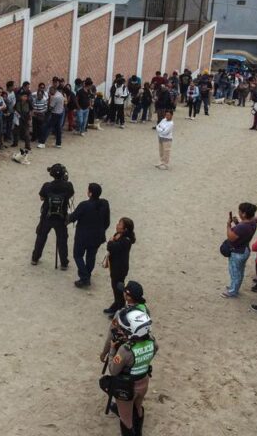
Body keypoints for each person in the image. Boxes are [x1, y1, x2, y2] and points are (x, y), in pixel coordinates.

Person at [102, 307, 156, 436]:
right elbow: (154, 350)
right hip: (143, 382)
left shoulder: (125, 350)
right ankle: (139, 432)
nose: (120, 330)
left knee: (126, 420)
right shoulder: (152, 341)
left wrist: (112, 350)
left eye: (123, 329)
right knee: (138, 408)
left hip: (126, 387)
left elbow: (113, 370)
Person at [31, 163, 75, 268]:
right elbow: (71, 195)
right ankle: (64, 263)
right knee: (62, 240)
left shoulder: (47, 185)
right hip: (61, 217)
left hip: (47, 216)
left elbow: (41, 198)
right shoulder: (68, 186)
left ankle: (35, 258)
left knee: (41, 236)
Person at [69, 183, 110, 288]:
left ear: (90, 193)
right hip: (97, 237)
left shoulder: (84, 205)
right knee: (91, 257)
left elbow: (72, 218)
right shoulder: (105, 204)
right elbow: (107, 222)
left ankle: (85, 277)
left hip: (82, 236)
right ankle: (87, 275)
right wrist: (101, 230)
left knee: (78, 255)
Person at [222, 203, 257, 298]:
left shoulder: (242, 227)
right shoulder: (252, 222)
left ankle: (233, 291)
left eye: (240, 211)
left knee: (235, 271)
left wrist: (228, 225)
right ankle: (234, 286)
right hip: (244, 249)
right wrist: (237, 223)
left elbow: (231, 237)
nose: (238, 212)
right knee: (239, 271)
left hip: (238, 252)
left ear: (244, 214)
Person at [103, 218, 136, 316]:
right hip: (115, 266)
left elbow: (111, 247)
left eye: (120, 224)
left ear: (125, 229)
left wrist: (110, 241)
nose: (117, 225)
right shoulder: (118, 236)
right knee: (115, 287)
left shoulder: (125, 240)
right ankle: (116, 305)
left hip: (120, 268)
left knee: (118, 289)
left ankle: (120, 309)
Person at [12, 88, 33, 164]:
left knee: (27, 133)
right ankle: (15, 143)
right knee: (15, 131)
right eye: (23, 96)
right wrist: (16, 114)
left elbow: (31, 111)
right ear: (21, 96)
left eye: (25, 96)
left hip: (26, 119)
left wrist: (30, 118)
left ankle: (28, 146)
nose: (24, 97)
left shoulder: (28, 103)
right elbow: (14, 109)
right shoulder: (17, 102)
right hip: (18, 119)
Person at [32, 82, 49, 148]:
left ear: (42, 95)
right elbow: (34, 107)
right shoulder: (34, 100)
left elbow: (45, 108)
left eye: (40, 95)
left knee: (41, 127)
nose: (39, 96)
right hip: (36, 115)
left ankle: (40, 138)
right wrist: (37, 112)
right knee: (34, 127)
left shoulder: (44, 100)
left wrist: (40, 112)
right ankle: (34, 138)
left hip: (41, 116)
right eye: (38, 95)